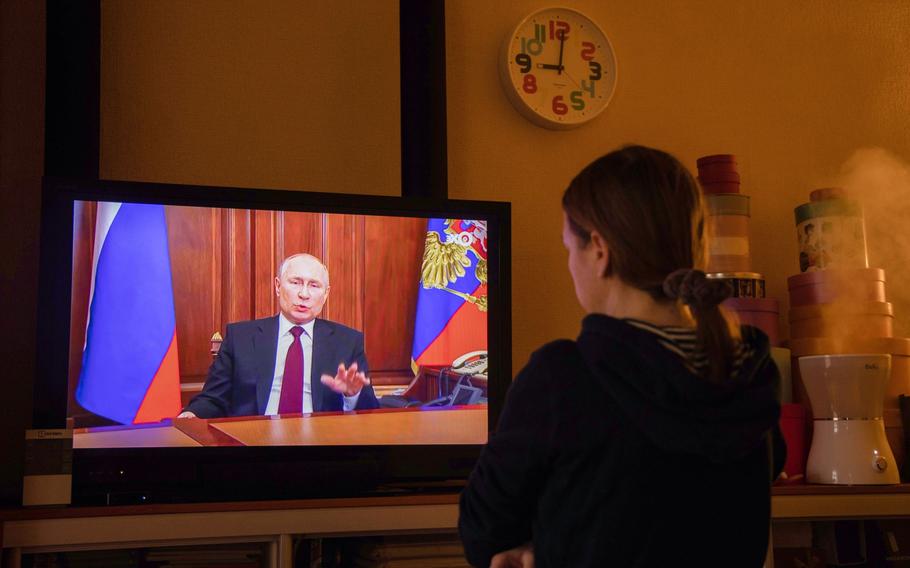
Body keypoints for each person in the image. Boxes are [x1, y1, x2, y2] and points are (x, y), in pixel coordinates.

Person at [458, 146, 785, 567]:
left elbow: (483, 533)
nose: (571, 265)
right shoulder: (752, 373)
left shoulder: (563, 377)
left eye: (568, 248)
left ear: (598, 248)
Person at [180, 253, 379, 418]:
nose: (304, 294)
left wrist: (352, 395)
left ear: (325, 294)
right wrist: (191, 415)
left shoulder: (347, 341)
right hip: (252, 443)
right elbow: (213, 399)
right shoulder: (240, 337)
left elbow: (371, 413)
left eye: (314, 285)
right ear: (277, 286)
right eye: (295, 282)